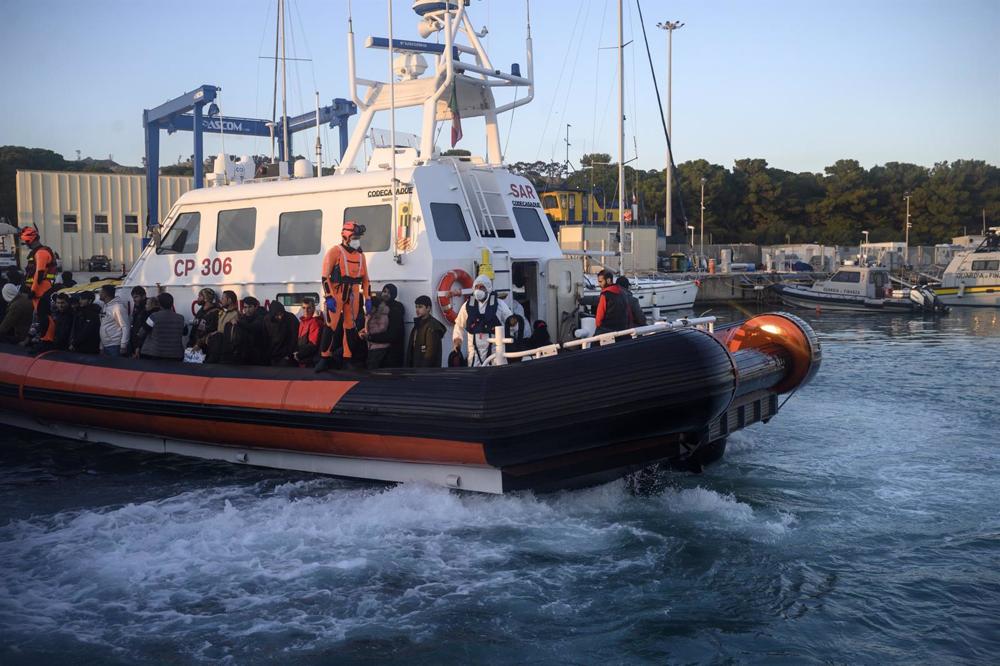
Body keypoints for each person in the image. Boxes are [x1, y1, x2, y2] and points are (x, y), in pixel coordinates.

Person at [316, 221, 371, 372]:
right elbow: (325, 276)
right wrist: (329, 296)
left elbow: (366, 279)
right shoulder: (335, 251)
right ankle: (324, 358)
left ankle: (347, 358)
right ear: (346, 236)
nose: (357, 240)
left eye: (358, 237)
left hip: (353, 293)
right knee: (331, 326)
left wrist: (368, 298)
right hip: (337, 293)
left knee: (350, 327)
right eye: (355, 236)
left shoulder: (361, 256)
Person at [452, 274, 513, 367]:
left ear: (488, 288)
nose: (478, 290)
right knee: (474, 372)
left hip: (494, 350)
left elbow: (511, 322)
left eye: (481, 287)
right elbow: (459, 325)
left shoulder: (499, 305)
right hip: (474, 351)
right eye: (476, 287)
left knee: (498, 370)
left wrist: (514, 327)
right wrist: (457, 340)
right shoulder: (467, 306)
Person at [362, 283, 405, 369]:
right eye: (384, 291)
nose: (386, 294)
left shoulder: (396, 309)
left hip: (391, 352)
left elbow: (393, 334)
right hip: (378, 349)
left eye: (389, 293)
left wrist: (370, 337)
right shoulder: (379, 308)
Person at [135, 292, 185, 361]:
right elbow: (185, 332)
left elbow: (141, 332)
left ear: (159, 304)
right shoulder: (181, 318)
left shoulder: (154, 316)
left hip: (155, 354)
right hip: (176, 355)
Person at [406, 295, 446, 368]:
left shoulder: (432, 326)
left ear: (428, 308)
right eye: (416, 307)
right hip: (416, 369)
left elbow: (430, 353)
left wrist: (423, 371)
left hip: (426, 372)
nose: (417, 310)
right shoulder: (418, 325)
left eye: (420, 307)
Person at [206, 290, 240, 364]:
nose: (221, 301)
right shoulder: (223, 312)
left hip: (226, 352)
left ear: (229, 300)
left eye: (223, 299)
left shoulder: (236, 314)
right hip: (217, 348)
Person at [594, 269, 631, 334]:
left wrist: (598, 328)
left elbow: (599, 318)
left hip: (607, 330)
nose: (599, 284)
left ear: (608, 280)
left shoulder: (605, 295)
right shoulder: (623, 293)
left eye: (600, 282)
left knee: (593, 343)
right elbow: (628, 313)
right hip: (622, 330)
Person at [233, 296, 268, 365]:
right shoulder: (243, 318)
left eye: (250, 307)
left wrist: (238, 323)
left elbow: (253, 327)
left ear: (255, 307)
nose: (247, 310)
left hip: (258, 355)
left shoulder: (261, 317)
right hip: (244, 354)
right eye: (245, 307)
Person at [98, 284, 129, 357]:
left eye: (101, 292)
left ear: (106, 294)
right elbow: (103, 326)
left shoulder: (118, 307)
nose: (99, 294)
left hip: (115, 345)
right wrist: (101, 346)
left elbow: (125, 326)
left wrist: (123, 345)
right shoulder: (105, 306)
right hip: (106, 345)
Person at [264, 301, 298, 366]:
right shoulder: (266, 320)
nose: (280, 317)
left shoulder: (291, 318)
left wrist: (289, 354)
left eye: (281, 314)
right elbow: (265, 339)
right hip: (272, 357)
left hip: (287, 357)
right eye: (277, 315)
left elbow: (294, 338)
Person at [294, 297, 322, 367]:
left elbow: (313, 345)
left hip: (308, 362)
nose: (306, 311)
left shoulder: (314, 322)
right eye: (304, 308)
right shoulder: (302, 322)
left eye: (308, 308)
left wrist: (299, 355)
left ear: (313, 309)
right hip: (302, 359)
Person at [128, 286, 148, 355]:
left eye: (136, 297)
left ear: (144, 296)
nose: (134, 300)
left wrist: (138, 346)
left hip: (142, 346)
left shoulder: (147, 310)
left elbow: (145, 330)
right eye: (133, 297)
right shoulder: (137, 307)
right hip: (135, 343)